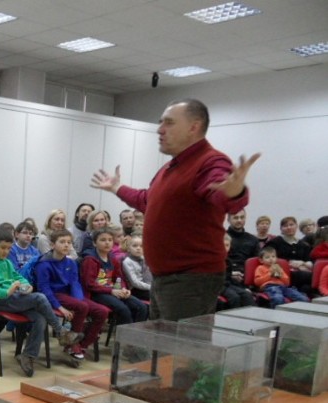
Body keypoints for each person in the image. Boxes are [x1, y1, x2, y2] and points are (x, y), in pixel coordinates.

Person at [91, 98, 260, 321]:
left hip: (191, 278)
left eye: (169, 123)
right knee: (163, 349)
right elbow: (146, 200)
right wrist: (117, 187)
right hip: (165, 278)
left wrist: (234, 192)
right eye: (161, 123)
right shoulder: (170, 168)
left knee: (181, 351)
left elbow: (222, 195)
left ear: (194, 127)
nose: (160, 130)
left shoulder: (211, 161)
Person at [0, 226, 82, 376]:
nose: (6, 252)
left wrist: (26, 285)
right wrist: (6, 291)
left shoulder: (5, 262)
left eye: (8, 248)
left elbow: (17, 276)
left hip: (13, 298)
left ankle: (28, 355)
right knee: (40, 297)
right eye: (2, 248)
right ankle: (60, 331)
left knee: (40, 318)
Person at [35, 229, 107, 361]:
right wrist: (60, 307)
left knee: (102, 311)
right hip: (54, 295)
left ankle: (82, 344)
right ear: (52, 245)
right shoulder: (44, 264)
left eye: (69, 242)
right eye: (62, 242)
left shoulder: (71, 262)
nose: (66, 245)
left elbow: (75, 283)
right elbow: (44, 289)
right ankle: (72, 343)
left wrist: (78, 300)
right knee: (82, 307)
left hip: (68, 295)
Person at [81, 227, 149, 326]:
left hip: (113, 291)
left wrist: (123, 289)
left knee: (141, 307)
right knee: (123, 309)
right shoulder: (90, 260)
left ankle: (134, 336)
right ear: (95, 243)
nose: (107, 243)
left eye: (110, 240)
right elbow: (90, 284)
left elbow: (119, 278)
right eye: (103, 240)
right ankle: (123, 339)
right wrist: (112, 291)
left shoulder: (113, 259)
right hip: (96, 294)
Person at [267, 216, 313, 290]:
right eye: (285, 226)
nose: (289, 227)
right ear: (281, 229)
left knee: (307, 287)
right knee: (304, 276)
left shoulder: (304, 245)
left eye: (291, 225)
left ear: (296, 226)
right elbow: (268, 257)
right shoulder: (275, 242)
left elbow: (309, 260)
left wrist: (302, 263)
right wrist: (290, 263)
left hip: (303, 271)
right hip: (282, 272)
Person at [220, 233, 254, 309]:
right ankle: (233, 319)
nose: (225, 248)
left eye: (227, 245)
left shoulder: (228, 260)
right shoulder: (214, 260)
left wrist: (243, 288)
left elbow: (229, 278)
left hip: (227, 285)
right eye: (222, 245)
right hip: (218, 286)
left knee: (246, 294)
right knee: (234, 297)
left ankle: (253, 316)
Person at [226, 210, 260, 275]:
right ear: (228, 220)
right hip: (226, 276)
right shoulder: (220, 238)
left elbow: (257, 261)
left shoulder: (253, 239)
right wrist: (230, 274)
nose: (239, 220)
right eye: (235, 218)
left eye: (242, 217)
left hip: (247, 276)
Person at [121, 234, 152, 301]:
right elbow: (134, 282)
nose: (138, 248)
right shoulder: (127, 262)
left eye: (141, 246)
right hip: (135, 289)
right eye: (135, 246)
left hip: (147, 285)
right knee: (156, 296)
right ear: (129, 249)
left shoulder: (144, 258)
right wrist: (150, 287)